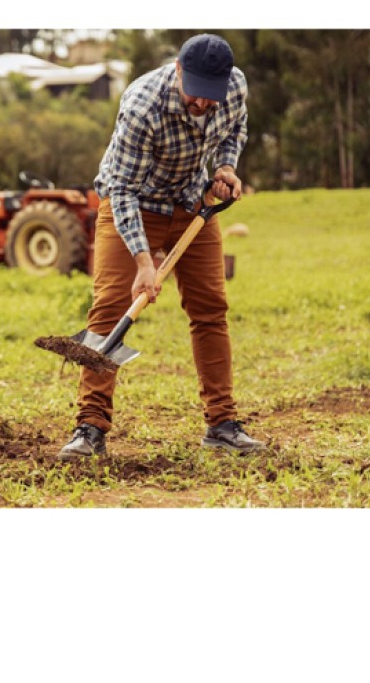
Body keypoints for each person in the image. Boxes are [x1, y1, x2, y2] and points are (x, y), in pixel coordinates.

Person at [58, 33, 265, 461]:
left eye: (213, 96)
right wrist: (142, 261)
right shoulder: (142, 105)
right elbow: (124, 188)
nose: (204, 104)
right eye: (197, 93)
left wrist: (226, 166)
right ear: (177, 70)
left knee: (210, 309)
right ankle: (90, 427)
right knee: (110, 308)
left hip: (192, 205)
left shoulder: (234, 87)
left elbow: (235, 127)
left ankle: (222, 425)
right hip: (132, 204)